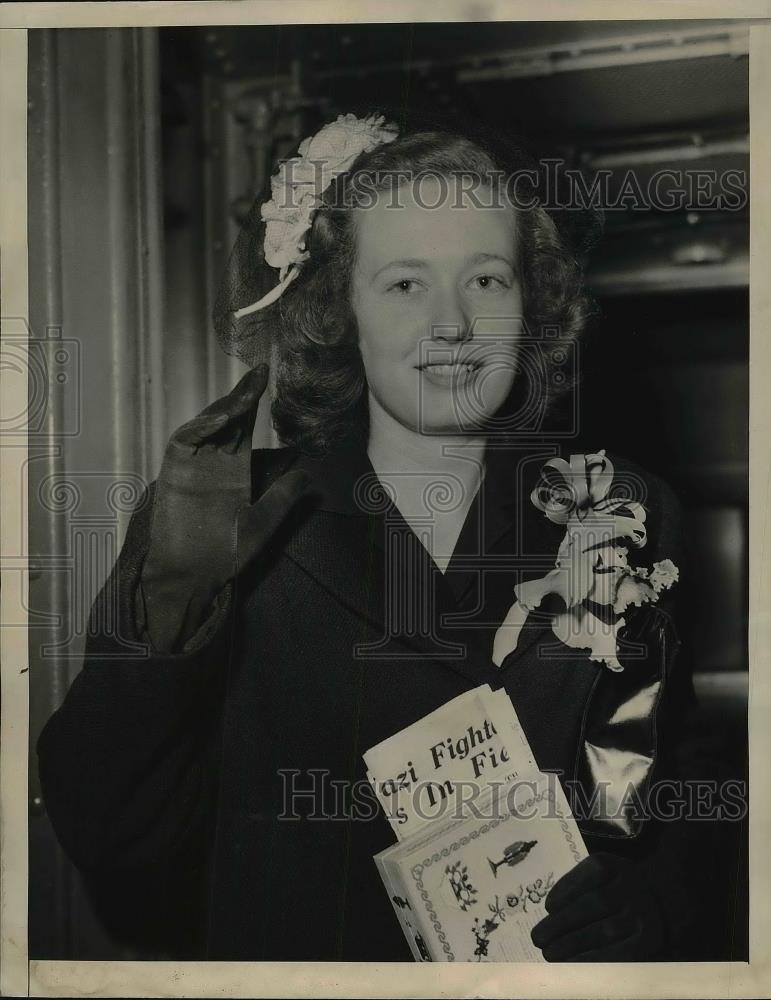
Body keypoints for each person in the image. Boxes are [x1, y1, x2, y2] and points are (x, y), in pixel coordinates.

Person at [37, 113, 737, 962]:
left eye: (486, 281)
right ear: (340, 312)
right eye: (405, 284)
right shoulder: (224, 520)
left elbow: (685, 775)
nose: (452, 325)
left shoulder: (624, 508)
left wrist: (650, 897)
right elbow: (111, 837)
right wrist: (174, 605)